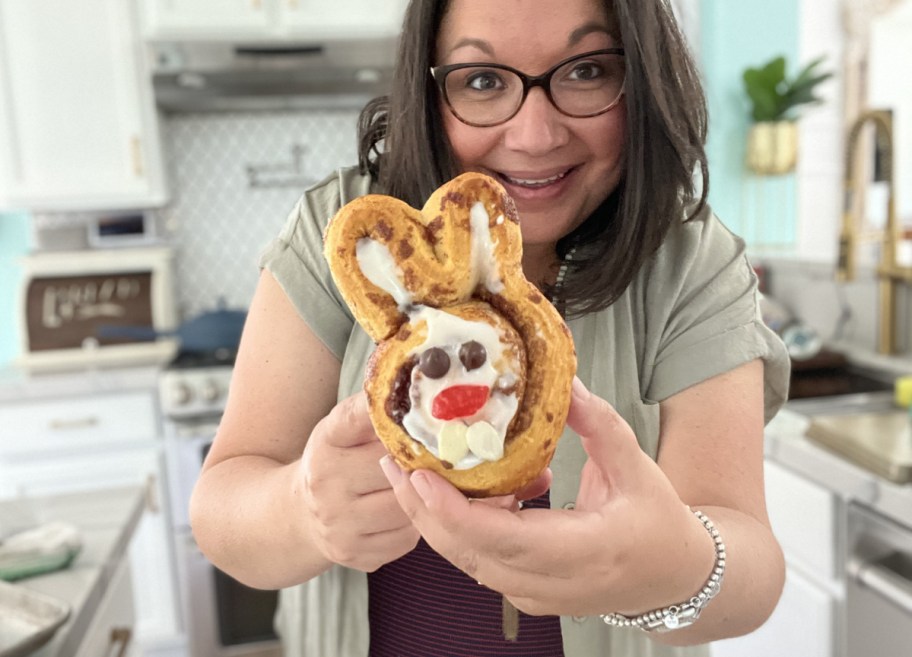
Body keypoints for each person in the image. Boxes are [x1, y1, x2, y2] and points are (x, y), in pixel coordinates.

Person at [189, 0, 791, 655]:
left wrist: (666, 562)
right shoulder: (351, 233)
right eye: (482, 81)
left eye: (586, 70)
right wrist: (304, 510)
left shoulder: (690, 265)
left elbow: (752, 575)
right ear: (429, 91)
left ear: (642, 80)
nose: (534, 135)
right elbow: (222, 512)